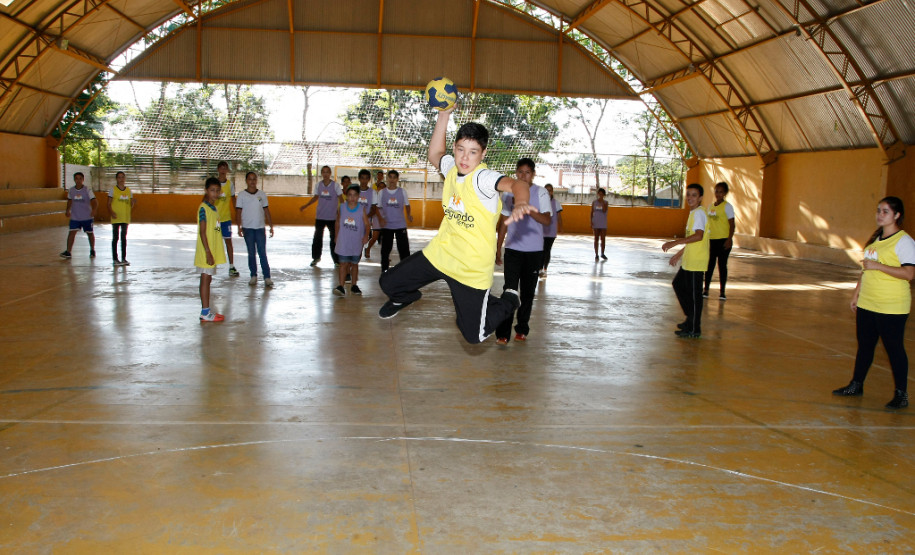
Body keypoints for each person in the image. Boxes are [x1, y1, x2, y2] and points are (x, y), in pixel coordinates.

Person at [377, 107, 536, 345]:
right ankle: (404, 298)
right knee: (388, 282)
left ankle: (509, 300)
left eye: (473, 152)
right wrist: (444, 115)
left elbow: (515, 185)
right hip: (443, 252)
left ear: (483, 154)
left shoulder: (483, 179)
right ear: (455, 148)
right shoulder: (452, 167)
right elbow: (434, 154)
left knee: (474, 334)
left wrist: (521, 202)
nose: (465, 158)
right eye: (461, 149)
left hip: (470, 266)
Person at [833, 197, 914, 409]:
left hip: (891, 305)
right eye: (878, 210)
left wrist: (878, 266)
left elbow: (909, 273)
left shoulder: (904, 241)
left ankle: (901, 394)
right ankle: (856, 384)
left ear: (896, 216)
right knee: (865, 346)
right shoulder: (876, 240)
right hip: (868, 302)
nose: (880, 214)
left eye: (885, 211)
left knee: (894, 348)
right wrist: (856, 293)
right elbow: (866, 270)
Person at [494, 158, 552, 345]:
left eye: (527, 172)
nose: (523, 175)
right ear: (516, 173)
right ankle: (503, 333)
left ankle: (522, 329)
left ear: (533, 174)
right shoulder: (509, 194)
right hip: (513, 250)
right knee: (509, 290)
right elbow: (503, 223)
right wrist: (498, 247)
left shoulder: (541, 193)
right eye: (520, 172)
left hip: (534, 252)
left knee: (527, 292)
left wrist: (527, 209)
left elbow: (546, 220)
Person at [662, 183, 709, 338]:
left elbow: (699, 236)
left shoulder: (700, 213)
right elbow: (692, 240)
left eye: (694, 195)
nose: (690, 198)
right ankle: (691, 319)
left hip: (697, 262)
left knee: (695, 296)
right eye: (688, 194)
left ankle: (695, 328)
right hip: (689, 259)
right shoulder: (693, 213)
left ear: (700, 198)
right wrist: (679, 254)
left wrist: (674, 242)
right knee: (678, 284)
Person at [235, 171, 275, 288]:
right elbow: (238, 211)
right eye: (250, 179)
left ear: (256, 181)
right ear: (246, 181)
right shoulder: (242, 195)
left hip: (260, 228)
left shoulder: (262, 194)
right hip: (248, 228)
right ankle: (253, 275)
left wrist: (271, 226)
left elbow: (266, 210)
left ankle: (267, 277)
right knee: (251, 253)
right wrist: (239, 227)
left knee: (262, 252)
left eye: (254, 179)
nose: (252, 181)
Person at [197, 178, 227, 322]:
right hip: (206, 250)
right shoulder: (204, 208)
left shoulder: (213, 208)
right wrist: (208, 251)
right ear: (206, 190)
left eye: (217, 190)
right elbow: (202, 232)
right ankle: (205, 312)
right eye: (212, 190)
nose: (215, 193)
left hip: (212, 250)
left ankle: (206, 310)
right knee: (205, 278)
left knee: (208, 279)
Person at [299, 165, 343, 267]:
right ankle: (316, 257)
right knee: (317, 237)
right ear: (321, 173)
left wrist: (343, 212)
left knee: (334, 238)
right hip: (320, 216)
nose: (325, 174)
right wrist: (306, 205)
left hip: (332, 217)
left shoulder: (335, 186)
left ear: (330, 173)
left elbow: (341, 199)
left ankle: (336, 260)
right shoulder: (318, 185)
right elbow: (315, 197)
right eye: (323, 172)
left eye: (327, 172)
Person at [333, 185, 371, 297]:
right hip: (343, 241)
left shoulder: (361, 209)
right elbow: (338, 222)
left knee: (354, 264)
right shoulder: (342, 207)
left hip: (356, 241)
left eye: (355, 195)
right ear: (346, 196)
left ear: (358, 196)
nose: (352, 197)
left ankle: (354, 285)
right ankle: (341, 286)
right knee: (343, 264)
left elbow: (367, 224)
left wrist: (366, 236)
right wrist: (336, 236)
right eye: (350, 195)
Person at [704, 181, 736, 300]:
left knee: (722, 266)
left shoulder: (727, 207)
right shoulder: (710, 206)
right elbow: (708, 223)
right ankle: (706, 289)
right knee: (709, 265)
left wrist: (729, 239)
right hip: (712, 240)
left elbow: (732, 224)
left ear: (725, 193)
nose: (718, 194)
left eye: (721, 192)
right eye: (716, 191)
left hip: (723, 240)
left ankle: (722, 291)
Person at [378, 169, 412, 272]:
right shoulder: (381, 193)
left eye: (394, 177)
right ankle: (384, 271)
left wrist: (409, 215)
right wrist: (381, 219)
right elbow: (378, 207)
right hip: (387, 225)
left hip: (400, 225)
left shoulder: (402, 192)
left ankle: (406, 271)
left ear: (397, 179)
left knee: (404, 251)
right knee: (385, 251)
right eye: (390, 177)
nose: (392, 180)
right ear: (387, 179)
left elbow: (407, 205)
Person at [60, 172, 97, 259]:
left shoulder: (88, 190)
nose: (78, 180)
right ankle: (68, 252)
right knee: (71, 233)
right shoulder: (71, 190)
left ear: (83, 180)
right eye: (76, 178)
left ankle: (92, 250)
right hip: (75, 217)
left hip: (87, 217)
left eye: (80, 178)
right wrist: (67, 210)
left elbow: (95, 201)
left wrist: (94, 210)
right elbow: (69, 200)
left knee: (90, 233)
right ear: (74, 180)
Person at [215, 161, 240, 277]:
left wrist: (238, 213)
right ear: (218, 169)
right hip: (215, 219)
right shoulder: (214, 184)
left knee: (228, 242)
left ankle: (231, 266)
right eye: (221, 168)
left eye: (225, 168)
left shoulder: (230, 184)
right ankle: (211, 264)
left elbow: (233, 199)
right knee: (213, 241)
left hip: (226, 219)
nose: (223, 170)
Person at [108, 171, 136, 266]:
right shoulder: (113, 190)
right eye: (119, 177)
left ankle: (124, 258)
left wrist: (133, 203)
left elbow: (130, 203)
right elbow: (108, 204)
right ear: (116, 179)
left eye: (123, 177)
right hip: (116, 217)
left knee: (123, 238)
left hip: (125, 218)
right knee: (115, 238)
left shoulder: (128, 190)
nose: (121, 179)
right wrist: (112, 212)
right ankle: (115, 259)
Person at [541, 183, 562, 278]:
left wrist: (561, 227)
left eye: (549, 190)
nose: (548, 192)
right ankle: (539, 268)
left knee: (547, 250)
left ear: (552, 192)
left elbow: (559, 217)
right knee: (541, 250)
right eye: (546, 190)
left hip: (551, 231)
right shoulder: (540, 202)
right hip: (541, 230)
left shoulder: (556, 203)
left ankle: (545, 268)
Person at [364, 170, 385, 259]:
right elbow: (375, 208)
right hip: (377, 218)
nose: (381, 189)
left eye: (383, 187)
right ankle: (368, 249)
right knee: (375, 237)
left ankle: (385, 255)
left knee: (386, 239)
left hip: (385, 218)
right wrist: (380, 218)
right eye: (380, 187)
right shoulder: (375, 196)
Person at [591, 188, 609, 261]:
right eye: (599, 194)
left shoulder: (606, 202)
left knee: (603, 239)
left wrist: (602, 203)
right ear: (598, 194)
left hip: (603, 222)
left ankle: (602, 253)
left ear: (604, 195)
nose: (600, 195)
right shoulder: (594, 202)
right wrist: (591, 221)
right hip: (596, 222)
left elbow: (604, 210)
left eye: (602, 194)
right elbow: (592, 212)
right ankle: (596, 254)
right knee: (596, 238)